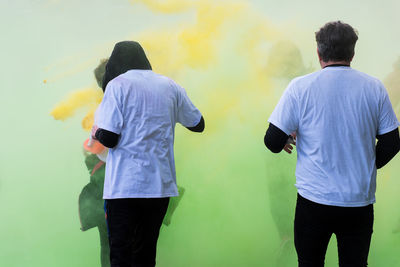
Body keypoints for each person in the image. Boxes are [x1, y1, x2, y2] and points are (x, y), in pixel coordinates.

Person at [264, 21, 400, 266]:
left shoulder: (299, 87)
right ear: (352, 53)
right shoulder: (374, 88)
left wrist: (285, 137)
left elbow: (272, 142)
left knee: (309, 263)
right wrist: (367, 164)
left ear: (318, 53)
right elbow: (392, 143)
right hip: (358, 203)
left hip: (313, 203)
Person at [93, 41, 205, 267]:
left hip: (124, 188)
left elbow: (110, 138)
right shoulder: (170, 86)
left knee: (121, 255)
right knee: (145, 255)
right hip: (159, 188)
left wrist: (97, 132)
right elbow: (198, 124)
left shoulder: (117, 85)